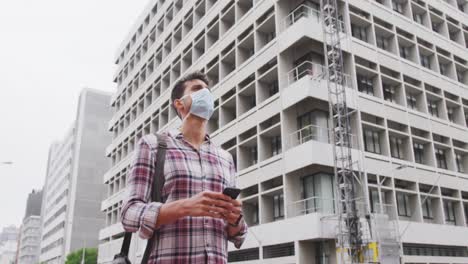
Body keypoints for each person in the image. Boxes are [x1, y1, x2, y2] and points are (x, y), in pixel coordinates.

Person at [121, 71, 248, 263]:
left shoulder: (226, 158)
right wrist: (185, 207)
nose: (206, 94)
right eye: (197, 89)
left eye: (208, 91)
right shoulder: (153, 145)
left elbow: (238, 236)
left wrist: (235, 219)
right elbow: (129, 214)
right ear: (179, 103)